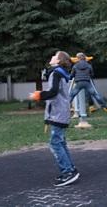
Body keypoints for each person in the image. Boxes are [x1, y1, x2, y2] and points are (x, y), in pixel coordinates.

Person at [29, 51, 79, 187]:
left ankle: (68, 172)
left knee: (55, 143)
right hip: (61, 112)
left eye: (54, 56)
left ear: (58, 60)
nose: (51, 57)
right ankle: (71, 168)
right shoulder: (61, 73)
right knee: (60, 142)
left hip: (58, 113)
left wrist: (38, 95)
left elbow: (53, 92)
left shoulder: (56, 73)